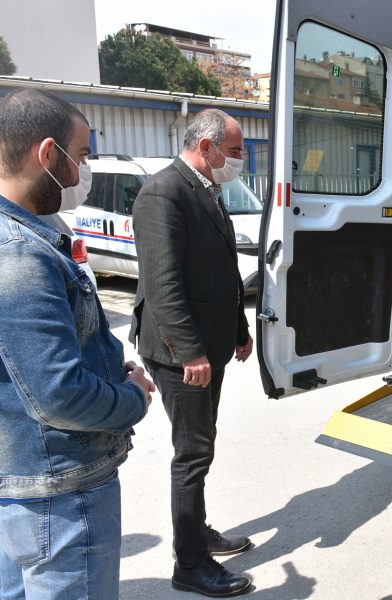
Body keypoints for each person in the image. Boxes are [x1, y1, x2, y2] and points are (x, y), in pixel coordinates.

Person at [0, 88, 154, 598]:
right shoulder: (21, 255)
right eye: (81, 156)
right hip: (60, 491)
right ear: (48, 154)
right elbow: (58, 394)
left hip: (25, 480)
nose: (80, 173)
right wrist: (131, 398)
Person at [130, 109, 254, 597]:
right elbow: (163, 287)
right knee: (193, 453)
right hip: (182, 351)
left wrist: (240, 328)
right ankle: (191, 565)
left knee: (201, 445)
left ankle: (197, 533)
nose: (240, 161)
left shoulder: (205, 188)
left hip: (209, 344)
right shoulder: (164, 192)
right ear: (207, 147)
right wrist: (190, 353)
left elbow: (223, 271)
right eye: (236, 151)